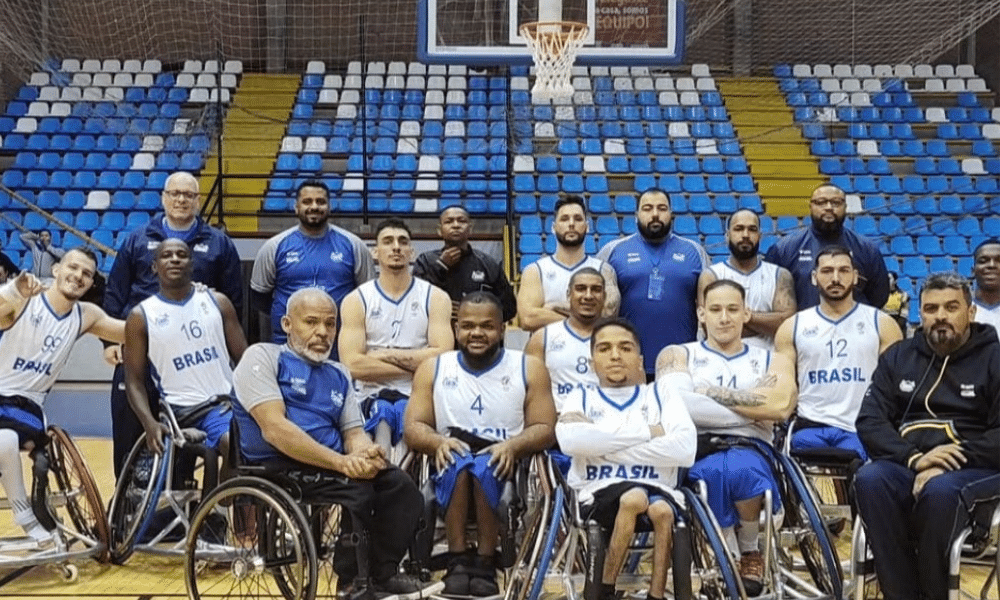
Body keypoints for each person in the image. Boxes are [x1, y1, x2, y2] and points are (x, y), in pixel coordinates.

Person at [232, 287, 439, 600]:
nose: (322, 332)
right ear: (287, 324)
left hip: (332, 462)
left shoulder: (338, 373)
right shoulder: (262, 357)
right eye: (311, 322)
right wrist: (341, 463)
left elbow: (352, 431)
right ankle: (353, 582)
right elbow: (275, 429)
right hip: (279, 462)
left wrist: (364, 451)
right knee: (359, 489)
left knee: (401, 486)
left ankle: (383, 574)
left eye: (330, 324)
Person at [854, 272, 1000, 600]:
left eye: (951, 307)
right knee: (870, 478)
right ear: (921, 313)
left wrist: (949, 460)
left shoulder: (994, 358)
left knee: (940, 491)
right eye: (931, 309)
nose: (941, 316)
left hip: (975, 464)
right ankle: (900, 593)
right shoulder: (899, 357)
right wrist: (917, 459)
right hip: (912, 459)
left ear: (971, 312)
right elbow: (869, 421)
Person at [404, 292, 556, 597]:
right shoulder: (433, 368)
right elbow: (413, 427)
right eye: (468, 326)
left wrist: (514, 446)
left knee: (485, 467)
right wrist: (436, 442)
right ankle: (458, 559)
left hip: (505, 455)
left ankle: (486, 559)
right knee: (460, 463)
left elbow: (545, 428)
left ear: (502, 329)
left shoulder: (529, 367)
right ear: (456, 330)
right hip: (452, 450)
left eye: (487, 326)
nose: (476, 333)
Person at [656, 280, 797, 596]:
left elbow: (780, 406)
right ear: (701, 313)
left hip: (753, 447)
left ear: (746, 313)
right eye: (715, 309)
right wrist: (752, 408)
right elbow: (675, 405)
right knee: (710, 472)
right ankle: (725, 551)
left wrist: (706, 393)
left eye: (733, 309)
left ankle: (748, 550)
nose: (724, 318)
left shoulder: (771, 358)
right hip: (698, 446)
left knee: (741, 469)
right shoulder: (678, 354)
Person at [103, 171, 244, 475]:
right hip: (140, 344)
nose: (181, 199)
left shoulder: (219, 243)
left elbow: (234, 301)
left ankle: (187, 507)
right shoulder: (137, 239)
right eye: (175, 194)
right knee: (131, 429)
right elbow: (115, 291)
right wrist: (110, 341)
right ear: (164, 198)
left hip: (192, 358)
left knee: (188, 442)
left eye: (188, 195)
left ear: (197, 200)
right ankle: (127, 502)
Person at [556, 318, 697, 600]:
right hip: (596, 493)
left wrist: (601, 445)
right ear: (592, 360)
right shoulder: (579, 395)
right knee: (634, 497)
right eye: (604, 349)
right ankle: (606, 587)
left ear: (640, 359)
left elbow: (685, 449)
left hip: (660, 491)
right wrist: (650, 433)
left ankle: (652, 593)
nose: (615, 355)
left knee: (661, 511)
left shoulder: (660, 393)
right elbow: (571, 441)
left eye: (625, 348)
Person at [0, 248, 125, 544]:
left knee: (5, 438)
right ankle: (27, 517)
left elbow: (129, 331)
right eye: (73, 268)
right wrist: (14, 291)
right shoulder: (23, 301)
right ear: (56, 269)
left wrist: (176, 307)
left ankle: (26, 517)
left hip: (28, 402)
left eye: (86, 273)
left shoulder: (86, 315)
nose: (78, 276)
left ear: (92, 283)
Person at [124, 239, 247, 472]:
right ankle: (213, 504)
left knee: (237, 444)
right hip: (176, 410)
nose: (174, 259)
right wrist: (149, 422)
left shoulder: (217, 302)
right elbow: (134, 381)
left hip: (221, 405)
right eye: (166, 255)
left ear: (192, 263)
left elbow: (244, 360)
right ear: (154, 266)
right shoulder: (141, 316)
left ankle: (220, 504)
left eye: (182, 254)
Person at [339, 218, 453, 457]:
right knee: (381, 415)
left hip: (419, 393)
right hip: (369, 394)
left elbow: (442, 357)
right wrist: (418, 365)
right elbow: (353, 365)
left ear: (412, 253)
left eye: (403, 241)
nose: (396, 247)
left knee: (406, 415)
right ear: (375, 252)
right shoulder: (356, 300)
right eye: (388, 241)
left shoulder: (436, 297)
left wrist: (384, 354)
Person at [775, 246, 902, 460]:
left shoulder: (882, 323)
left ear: (854, 277)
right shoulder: (792, 326)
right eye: (827, 271)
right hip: (809, 427)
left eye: (843, 270)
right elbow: (783, 385)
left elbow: (893, 389)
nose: (835, 278)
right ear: (814, 278)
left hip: (860, 428)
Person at [598, 188, 710, 379]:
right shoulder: (612, 252)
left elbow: (709, 309)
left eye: (662, 208)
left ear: (671, 214)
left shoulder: (695, 253)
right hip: (628, 364)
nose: (655, 214)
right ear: (637, 215)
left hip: (681, 364)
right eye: (647, 208)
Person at [251, 179, 374, 345]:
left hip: (338, 343)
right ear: (296, 207)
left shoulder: (353, 245)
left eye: (321, 202)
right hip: (287, 343)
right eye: (307, 201)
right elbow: (259, 298)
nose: (314, 206)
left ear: (329, 207)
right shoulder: (274, 247)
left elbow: (369, 296)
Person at [765, 183, 888, 309]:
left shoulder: (868, 250)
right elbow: (770, 295)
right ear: (811, 206)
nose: (829, 207)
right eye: (821, 202)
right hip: (803, 326)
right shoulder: (783, 250)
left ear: (845, 207)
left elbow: (879, 297)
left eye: (836, 203)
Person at [516, 194, 619, 332]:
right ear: (553, 227)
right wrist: (584, 320)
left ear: (587, 227)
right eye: (564, 219)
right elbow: (528, 319)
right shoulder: (535, 271)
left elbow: (608, 315)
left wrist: (554, 307)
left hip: (590, 351)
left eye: (578, 219)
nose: (571, 224)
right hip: (549, 351)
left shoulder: (604, 270)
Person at [697, 209, 796, 350]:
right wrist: (768, 324)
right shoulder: (711, 275)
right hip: (722, 361)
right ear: (727, 236)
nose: (745, 235)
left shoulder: (779, 275)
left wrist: (740, 318)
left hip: (767, 364)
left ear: (760, 236)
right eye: (738, 229)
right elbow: (711, 328)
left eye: (752, 229)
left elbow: (787, 325)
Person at [413, 206, 517, 323]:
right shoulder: (425, 261)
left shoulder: (488, 264)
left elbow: (510, 308)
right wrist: (441, 267)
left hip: (477, 336)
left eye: (461, 221)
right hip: (437, 335)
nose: (456, 225)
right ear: (439, 230)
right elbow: (414, 302)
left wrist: (474, 312)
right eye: (449, 221)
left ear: (470, 229)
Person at [524, 266, 605, 411]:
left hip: (604, 421)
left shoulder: (618, 337)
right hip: (558, 420)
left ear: (604, 296)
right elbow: (527, 389)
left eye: (596, 290)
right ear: (568, 294)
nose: (588, 296)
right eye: (581, 288)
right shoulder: (543, 337)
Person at [970, 238, 1000, 331]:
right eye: (983, 261)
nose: (991, 265)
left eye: (999, 260)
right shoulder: (962, 310)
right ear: (973, 271)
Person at [883, 271, 910, 335]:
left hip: (898, 323)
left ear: (895, 281)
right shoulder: (880, 296)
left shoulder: (903, 295)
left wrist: (896, 326)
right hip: (884, 323)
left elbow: (904, 314)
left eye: (889, 278)